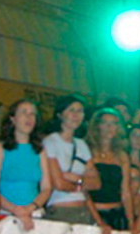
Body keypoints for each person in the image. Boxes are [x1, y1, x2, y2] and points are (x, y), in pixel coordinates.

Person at [0, 100, 53, 231]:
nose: (29, 117)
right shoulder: (0, 148)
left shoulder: (39, 150)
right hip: (6, 214)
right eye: (24, 113)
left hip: (34, 214)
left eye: (32, 114)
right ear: (13, 118)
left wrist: (30, 208)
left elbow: (46, 187)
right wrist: (16, 210)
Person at [42, 96, 97, 226]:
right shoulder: (51, 142)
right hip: (61, 210)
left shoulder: (81, 144)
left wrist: (74, 178)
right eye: (71, 110)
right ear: (60, 114)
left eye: (80, 111)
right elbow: (59, 184)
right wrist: (82, 182)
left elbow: (96, 182)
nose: (76, 115)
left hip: (83, 210)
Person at [86, 108, 136, 232]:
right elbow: (84, 191)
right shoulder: (87, 151)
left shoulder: (122, 155)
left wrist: (131, 221)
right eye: (105, 123)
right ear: (97, 126)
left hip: (117, 214)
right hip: (93, 214)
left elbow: (126, 191)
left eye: (114, 123)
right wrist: (99, 221)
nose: (110, 127)